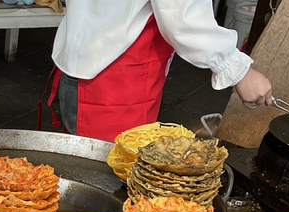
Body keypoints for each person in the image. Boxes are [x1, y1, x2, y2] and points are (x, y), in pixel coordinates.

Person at [47, 0, 273, 141]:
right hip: (115, 76)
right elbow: (183, 18)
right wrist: (237, 69)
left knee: (85, 170)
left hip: (84, 56)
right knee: (108, 182)